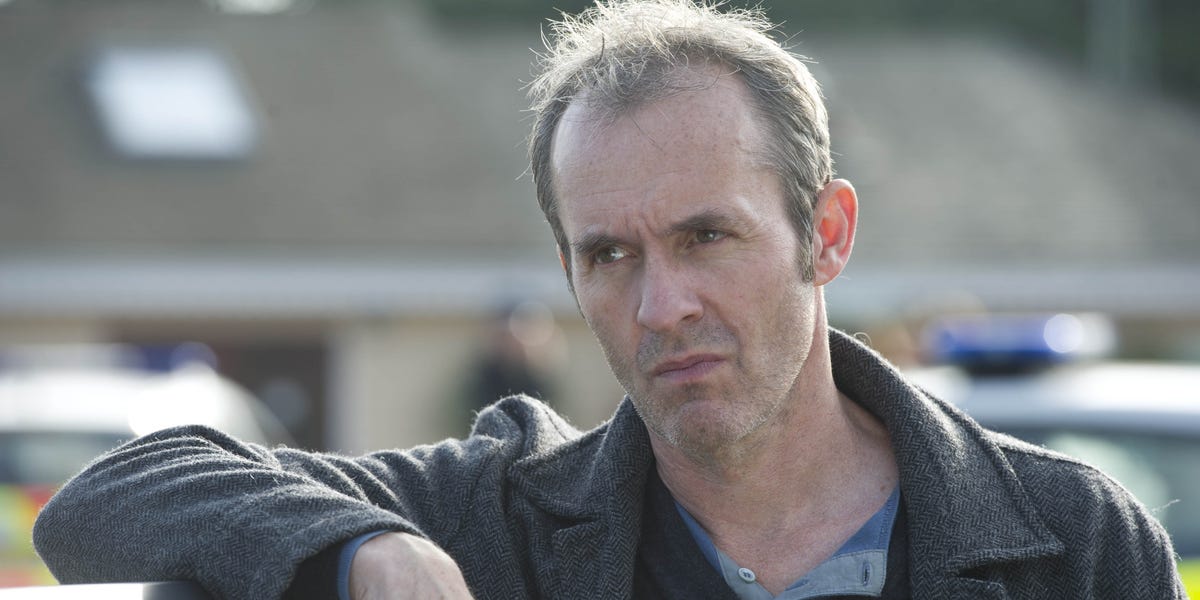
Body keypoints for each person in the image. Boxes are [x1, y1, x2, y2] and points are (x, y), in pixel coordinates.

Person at [34, 1, 1185, 598]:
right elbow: (107, 496)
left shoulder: (1073, 544)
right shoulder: (500, 524)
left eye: (705, 237)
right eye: (611, 255)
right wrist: (363, 547)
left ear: (826, 234)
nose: (661, 303)